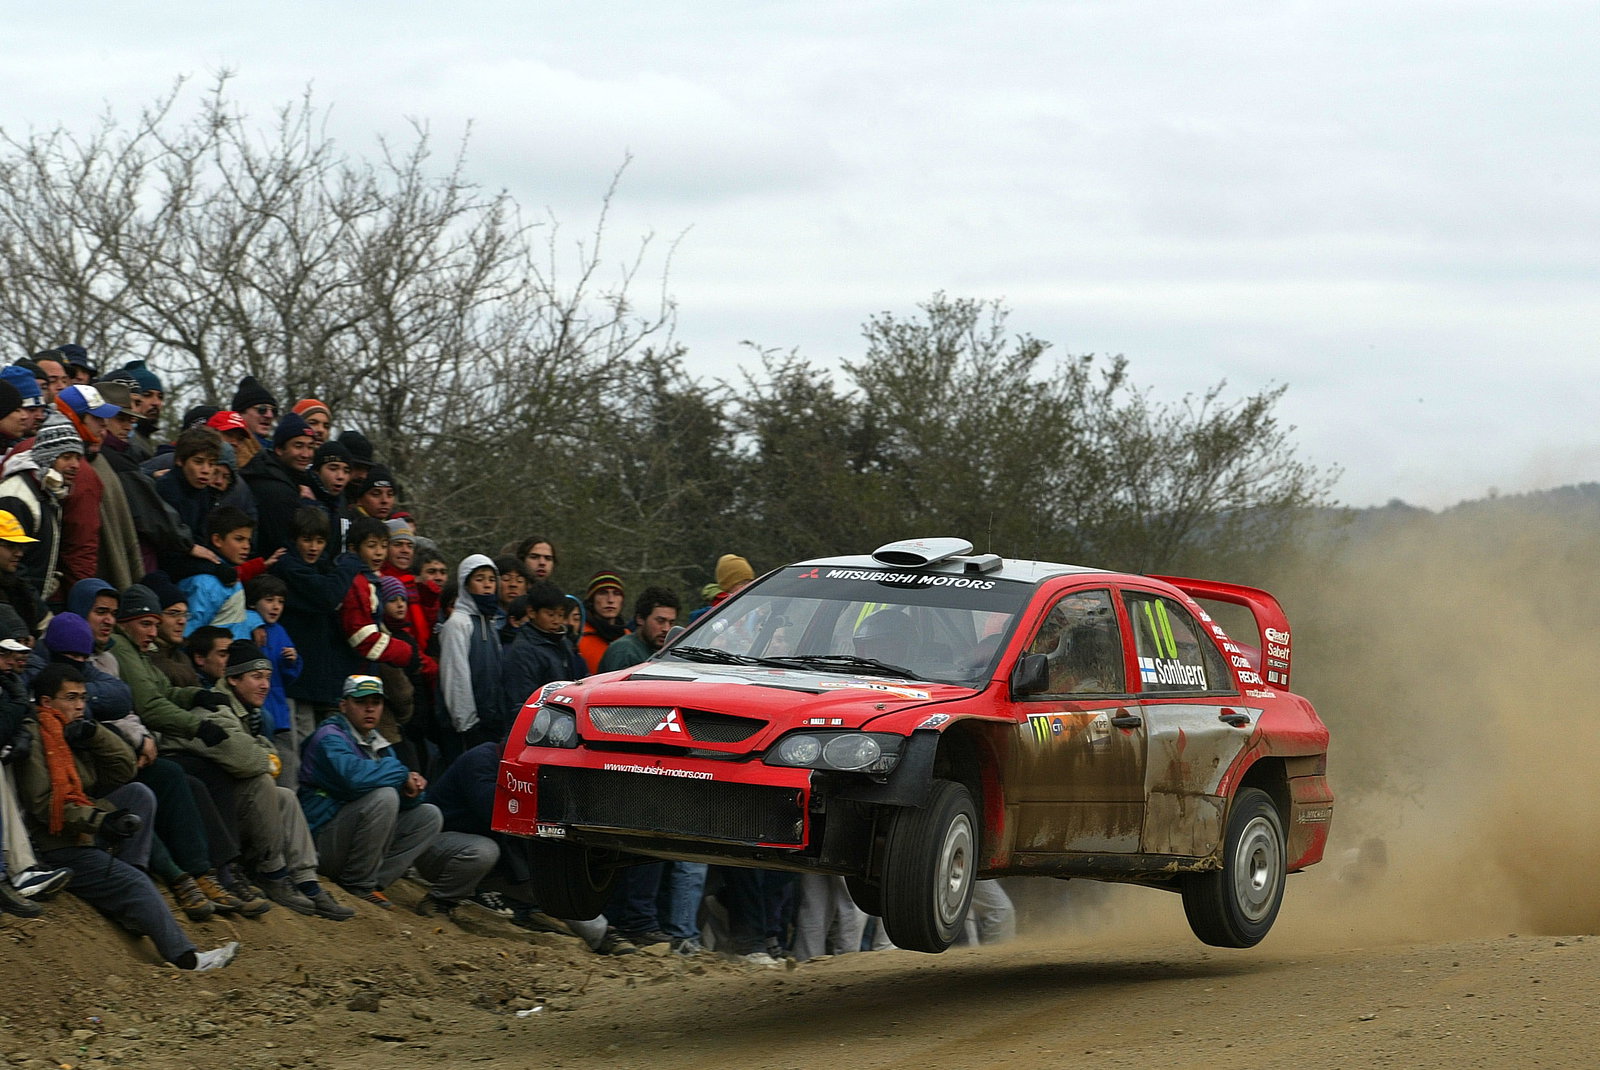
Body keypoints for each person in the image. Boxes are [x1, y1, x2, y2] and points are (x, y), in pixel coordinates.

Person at [16, 662, 239, 970]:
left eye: (82, 697)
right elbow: (44, 805)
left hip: (81, 828)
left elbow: (124, 770)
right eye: (70, 698)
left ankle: (129, 878)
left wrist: (96, 735)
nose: (80, 705)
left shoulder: (71, 733)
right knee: (135, 883)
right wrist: (100, 820)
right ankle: (187, 958)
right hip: (56, 845)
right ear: (45, 702)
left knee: (139, 794)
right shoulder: (39, 738)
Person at [186, 639, 353, 920]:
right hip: (209, 815)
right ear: (233, 679)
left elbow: (264, 752)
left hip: (230, 806)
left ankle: (307, 882)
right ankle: (272, 873)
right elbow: (246, 759)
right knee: (262, 781)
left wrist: (263, 754)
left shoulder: (248, 714)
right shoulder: (214, 708)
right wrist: (265, 757)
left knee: (285, 796)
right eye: (256, 677)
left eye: (268, 678)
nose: (265, 685)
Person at [297, 674, 443, 909]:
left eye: (376, 703)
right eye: (361, 702)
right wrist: (401, 774)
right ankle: (358, 884)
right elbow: (354, 779)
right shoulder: (329, 737)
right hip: (319, 841)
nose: (370, 709)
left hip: (350, 836)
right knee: (383, 796)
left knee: (429, 815)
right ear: (344, 705)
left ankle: (373, 883)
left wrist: (413, 790)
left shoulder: (378, 743)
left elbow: (399, 794)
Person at [235, 574, 303, 787]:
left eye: (280, 602)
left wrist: (292, 661)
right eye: (269, 600)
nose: (276, 607)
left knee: (288, 766)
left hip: (280, 713)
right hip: (254, 713)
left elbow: (288, 677)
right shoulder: (245, 626)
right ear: (254, 601)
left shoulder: (279, 631)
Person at [437, 554, 503, 757]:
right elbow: (455, 677)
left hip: (490, 721)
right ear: (465, 584)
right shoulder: (457, 624)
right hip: (467, 729)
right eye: (479, 579)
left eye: (491, 579)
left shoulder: (490, 623)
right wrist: (467, 723)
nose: (487, 585)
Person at [242, 411, 315, 557]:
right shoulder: (276, 490)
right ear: (279, 449)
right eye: (298, 446)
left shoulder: (287, 479)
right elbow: (285, 546)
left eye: (310, 447)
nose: (306, 454)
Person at [499, 584, 576, 717]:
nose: (556, 621)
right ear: (532, 612)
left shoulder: (564, 643)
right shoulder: (523, 650)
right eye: (550, 614)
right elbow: (520, 701)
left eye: (560, 615)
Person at [179, 505, 255, 633]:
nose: (246, 546)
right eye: (239, 539)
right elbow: (189, 633)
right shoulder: (205, 584)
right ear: (217, 540)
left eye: (248, 540)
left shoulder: (228, 573)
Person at [596, 587, 681, 673]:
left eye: (671, 623)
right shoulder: (624, 651)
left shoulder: (666, 653)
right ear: (640, 619)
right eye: (660, 621)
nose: (666, 629)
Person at [577, 570, 627, 674]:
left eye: (616, 593)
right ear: (592, 600)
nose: (610, 600)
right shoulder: (578, 637)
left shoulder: (629, 638)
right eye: (603, 593)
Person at [230, 376, 279, 447]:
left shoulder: (277, 452)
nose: (269, 415)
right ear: (239, 414)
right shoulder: (225, 452)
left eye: (273, 411)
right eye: (262, 409)